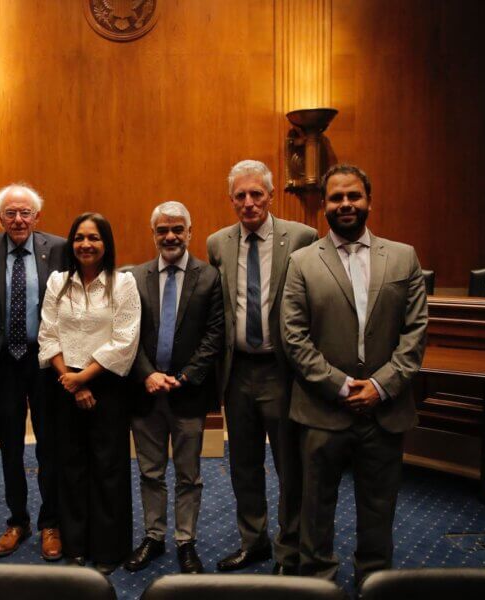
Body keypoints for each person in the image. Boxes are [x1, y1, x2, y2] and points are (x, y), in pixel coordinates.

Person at [280, 164, 427, 583]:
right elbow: (294, 338)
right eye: (336, 198)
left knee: (379, 507)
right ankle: (317, 583)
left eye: (353, 196)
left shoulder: (403, 256)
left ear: (368, 201)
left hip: (385, 409)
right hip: (322, 409)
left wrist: (380, 386)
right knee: (315, 508)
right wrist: (341, 386)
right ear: (323, 206)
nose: (345, 204)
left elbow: (415, 333)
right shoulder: (302, 262)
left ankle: (373, 581)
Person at [206, 159, 317, 574]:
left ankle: (290, 548)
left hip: (282, 371)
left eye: (257, 194)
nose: (249, 203)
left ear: (270, 195)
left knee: (291, 466)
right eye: (241, 196)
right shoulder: (218, 243)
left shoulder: (303, 237)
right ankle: (253, 542)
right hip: (237, 373)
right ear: (231, 199)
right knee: (244, 464)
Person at [0, 183, 65, 560]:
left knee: (49, 446)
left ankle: (50, 522)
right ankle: (17, 520)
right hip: (2, 363)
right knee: (9, 447)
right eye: (11, 213)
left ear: (37, 217)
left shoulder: (57, 248)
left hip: (46, 362)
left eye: (25, 213)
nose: (18, 219)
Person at [38, 212, 141, 575]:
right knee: (71, 467)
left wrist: (85, 379)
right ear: (71, 242)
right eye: (79, 237)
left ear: (106, 243)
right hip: (63, 384)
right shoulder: (57, 282)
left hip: (107, 387)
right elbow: (48, 335)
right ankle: (76, 545)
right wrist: (70, 379)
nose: (85, 244)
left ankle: (109, 549)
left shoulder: (122, 283)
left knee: (108, 468)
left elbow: (125, 340)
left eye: (94, 238)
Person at [124, 201, 224, 574]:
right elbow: (126, 335)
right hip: (145, 393)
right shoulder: (134, 277)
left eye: (177, 229)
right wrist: (147, 374)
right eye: (163, 229)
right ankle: (154, 536)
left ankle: (186, 541)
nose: (170, 236)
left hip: (188, 394)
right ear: (153, 234)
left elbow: (215, 335)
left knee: (188, 475)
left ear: (190, 232)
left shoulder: (210, 278)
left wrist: (185, 377)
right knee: (150, 472)